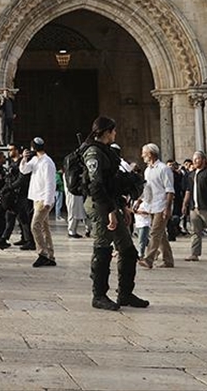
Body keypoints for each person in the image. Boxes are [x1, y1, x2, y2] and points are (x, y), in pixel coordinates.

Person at [82, 116, 147, 310]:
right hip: (99, 205)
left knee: (128, 250)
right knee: (102, 248)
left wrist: (121, 205)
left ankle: (125, 294)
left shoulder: (107, 152)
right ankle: (99, 295)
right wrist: (109, 210)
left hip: (111, 203)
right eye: (113, 131)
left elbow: (112, 183)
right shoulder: (93, 152)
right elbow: (96, 185)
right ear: (106, 132)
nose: (116, 134)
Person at [20, 137, 57, 267]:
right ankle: (50, 256)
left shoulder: (47, 162)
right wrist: (24, 159)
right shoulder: (36, 160)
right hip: (37, 198)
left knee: (34, 225)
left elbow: (50, 183)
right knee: (44, 227)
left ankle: (42, 254)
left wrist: (48, 200)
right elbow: (24, 170)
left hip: (43, 199)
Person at [138, 144, 174, 269]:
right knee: (161, 234)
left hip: (162, 206)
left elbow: (170, 190)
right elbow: (147, 188)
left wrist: (167, 208)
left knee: (154, 233)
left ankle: (149, 259)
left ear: (151, 154)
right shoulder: (147, 170)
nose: (142, 155)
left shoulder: (164, 169)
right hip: (152, 205)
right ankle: (168, 260)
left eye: (144, 153)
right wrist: (140, 200)